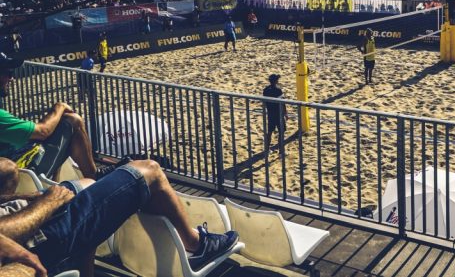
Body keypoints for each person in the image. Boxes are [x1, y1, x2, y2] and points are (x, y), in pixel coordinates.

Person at [0, 157, 239, 276]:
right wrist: (47, 203)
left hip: (23, 214)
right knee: (148, 170)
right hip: (37, 234)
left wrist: (18, 197)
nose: (10, 79)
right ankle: (196, 245)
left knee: (88, 183)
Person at [0, 56, 97, 180]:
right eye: (8, 73)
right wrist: (60, 106)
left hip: (11, 164)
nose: (12, 78)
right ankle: (94, 177)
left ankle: (63, 180)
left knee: (58, 129)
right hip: (17, 175)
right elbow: (43, 131)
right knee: (73, 121)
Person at [262, 74, 286, 154]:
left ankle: (267, 149)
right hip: (278, 113)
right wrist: (285, 113)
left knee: (270, 132)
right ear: (276, 81)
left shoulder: (265, 90)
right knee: (281, 132)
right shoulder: (278, 90)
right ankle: (281, 150)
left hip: (270, 113)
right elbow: (282, 103)